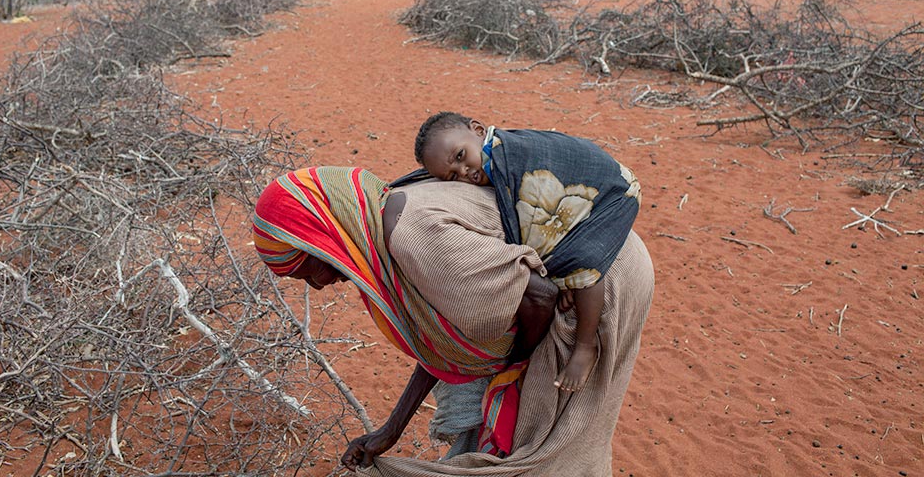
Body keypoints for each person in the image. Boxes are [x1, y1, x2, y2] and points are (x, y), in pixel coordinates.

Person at [253, 166, 653, 476]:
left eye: (308, 270)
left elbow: (540, 295)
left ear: (322, 235)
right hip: (579, 274)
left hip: (595, 281)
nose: (319, 285)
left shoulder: (411, 234)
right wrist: (391, 429)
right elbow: (441, 341)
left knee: (553, 445)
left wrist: (514, 365)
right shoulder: (380, 227)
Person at [415, 111, 642, 393]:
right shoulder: (490, 159)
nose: (463, 172)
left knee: (583, 262)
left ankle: (585, 345)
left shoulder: (507, 154)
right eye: (452, 176)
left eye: (461, 156)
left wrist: (559, 277)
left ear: (477, 129)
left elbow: (529, 219)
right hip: (595, 184)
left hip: (614, 192)